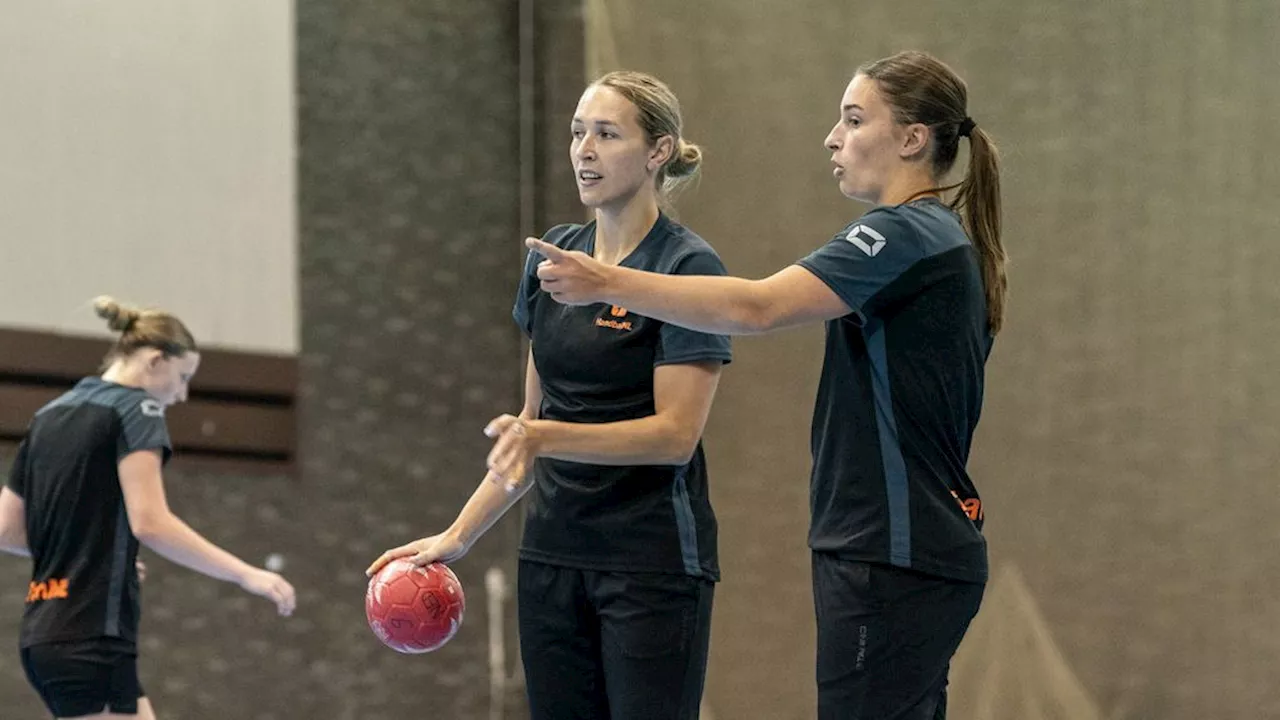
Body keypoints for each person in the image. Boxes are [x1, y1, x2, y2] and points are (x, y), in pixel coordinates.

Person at [525, 50, 1006, 720]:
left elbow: (757, 307)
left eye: (854, 118)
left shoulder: (906, 232)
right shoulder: (925, 237)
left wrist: (605, 282)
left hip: (896, 548)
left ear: (911, 138)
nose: (833, 138)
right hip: (889, 548)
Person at [368, 71, 731, 720]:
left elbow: (676, 435)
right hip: (552, 554)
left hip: (650, 564)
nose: (583, 149)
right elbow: (528, 430)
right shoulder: (554, 258)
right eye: (576, 132)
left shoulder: (686, 269)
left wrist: (546, 437)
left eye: (607, 133)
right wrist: (458, 535)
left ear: (658, 152)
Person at [0, 297, 296, 720]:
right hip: (91, 636)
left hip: (44, 636)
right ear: (156, 361)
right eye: (182, 377)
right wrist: (246, 574)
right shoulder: (136, 409)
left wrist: (96, 556)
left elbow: (7, 530)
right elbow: (151, 523)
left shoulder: (48, 415)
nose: (182, 394)